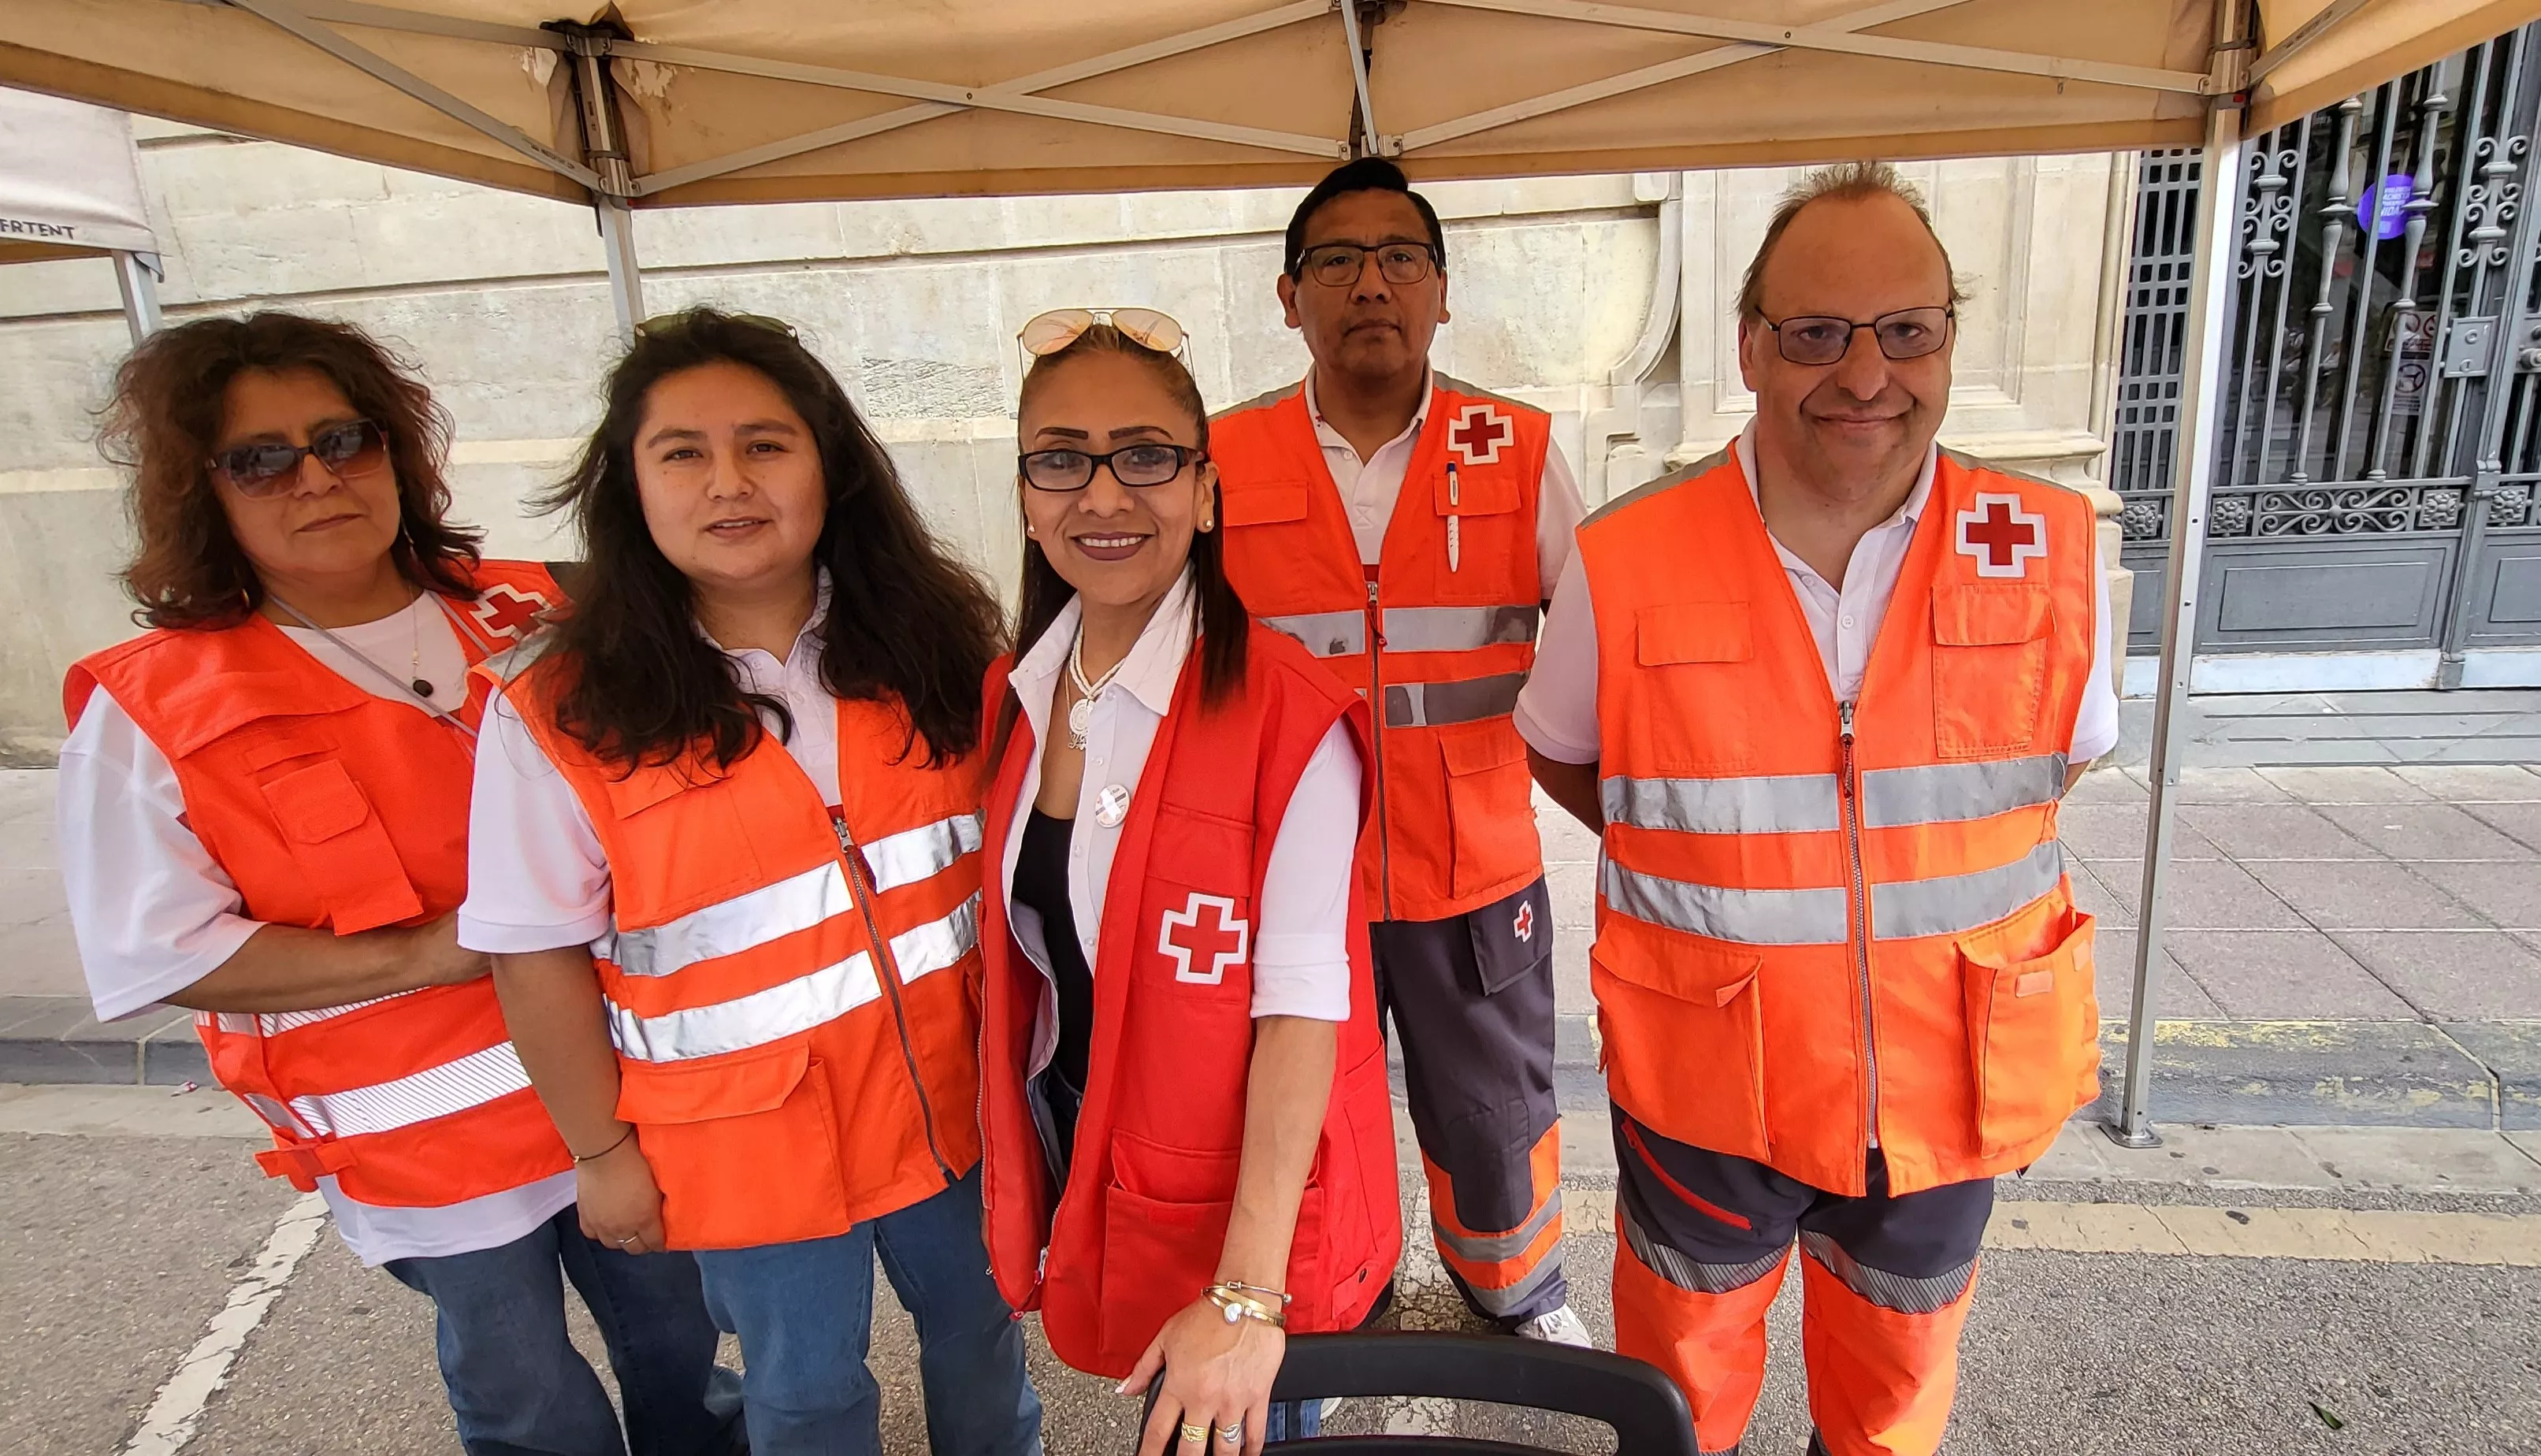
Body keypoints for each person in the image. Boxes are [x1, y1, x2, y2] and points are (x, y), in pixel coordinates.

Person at [55, 311, 741, 1456]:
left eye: (345, 439)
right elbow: (163, 952)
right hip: (426, 1151)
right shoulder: (154, 705)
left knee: (686, 1350)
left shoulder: (542, 613)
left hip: (627, 1095)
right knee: (523, 1402)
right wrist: (435, 951)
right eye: (259, 458)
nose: (315, 477)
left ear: (398, 453)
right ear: (200, 491)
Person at [1517, 162, 2122, 1456]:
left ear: (1950, 338)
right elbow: (1569, 760)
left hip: (1945, 1082)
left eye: (1907, 330)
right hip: (1707, 1083)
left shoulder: (2050, 545)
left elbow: (2051, 769)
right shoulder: (1625, 557)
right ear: (1749, 345)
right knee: (1681, 1406)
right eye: (1817, 334)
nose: (1865, 376)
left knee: (1893, 1414)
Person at [459, 308, 1042, 1456]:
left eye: (766, 445)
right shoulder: (560, 708)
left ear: (831, 465)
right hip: (748, 1145)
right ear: (631, 485)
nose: (728, 482)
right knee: (805, 1394)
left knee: (984, 1341)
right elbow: (532, 954)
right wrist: (600, 1155)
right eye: (682, 452)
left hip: (956, 1108)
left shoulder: (937, 640)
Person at [975, 310, 1401, 1456]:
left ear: (1205, 491)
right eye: (1062, 458)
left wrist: (1248, 1296)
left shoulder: (1289, 717)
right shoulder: (1014, 700)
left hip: (1245, 1207)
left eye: (1147, 456)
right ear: (1024, 492)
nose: (1103, 495)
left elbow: (1304, 1009)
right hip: (1098, 1149)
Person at [1210, 158, 1590, 1345]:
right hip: (1285, 876)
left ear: (1440, 289)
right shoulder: (1223, 458)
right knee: (1304, 1112)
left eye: (1400, 258)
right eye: (1337, 260)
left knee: (1494, 1109)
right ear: (1289, 296)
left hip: (1471, 868)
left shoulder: (1514, 448)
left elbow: (1585, 655)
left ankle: (1513, 1291)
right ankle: (1338, 1289)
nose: (1370, 283)